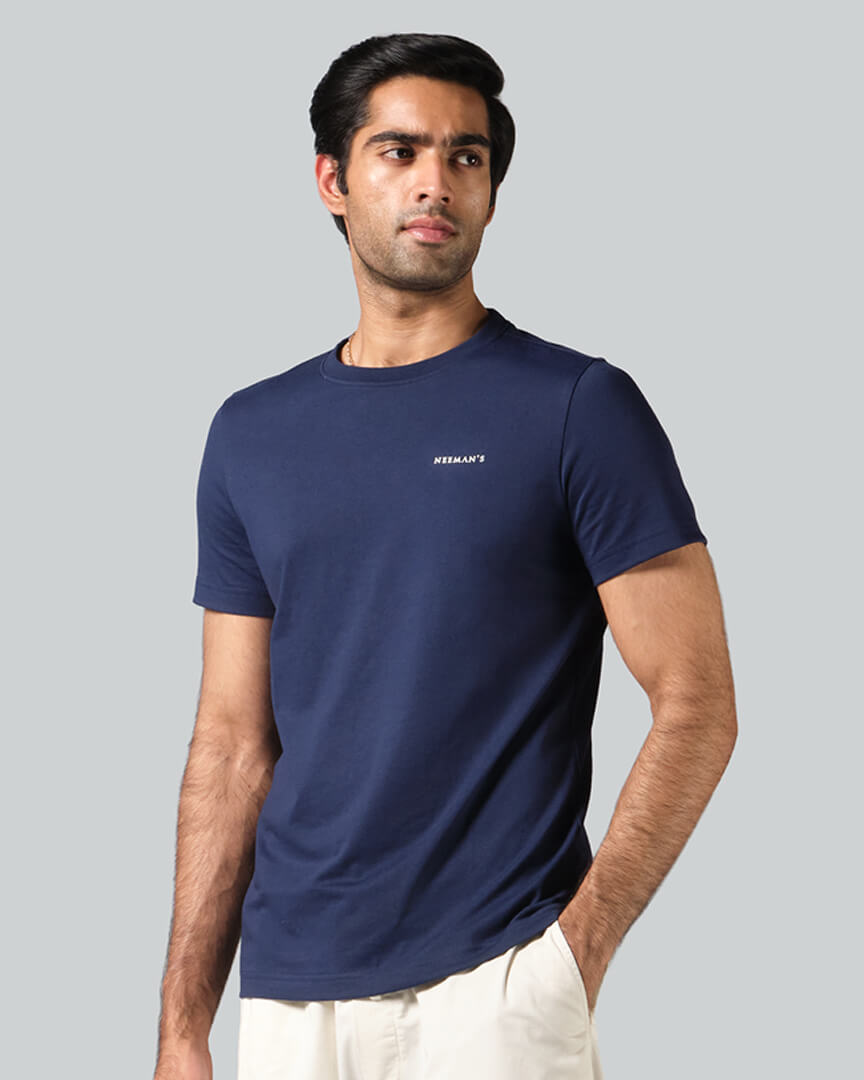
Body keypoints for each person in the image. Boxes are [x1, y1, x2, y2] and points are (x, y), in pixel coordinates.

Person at [153, 31, 737, 1080]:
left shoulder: (578, 407)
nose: (436, 182)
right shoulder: (251, 433)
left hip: (498, 984)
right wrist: (182, 1028)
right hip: (289, 996)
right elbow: (232, 746)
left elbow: (697, 701)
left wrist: (575, 955)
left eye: (466, 157)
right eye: (400, 151)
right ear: (332, 181)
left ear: (492, 192)